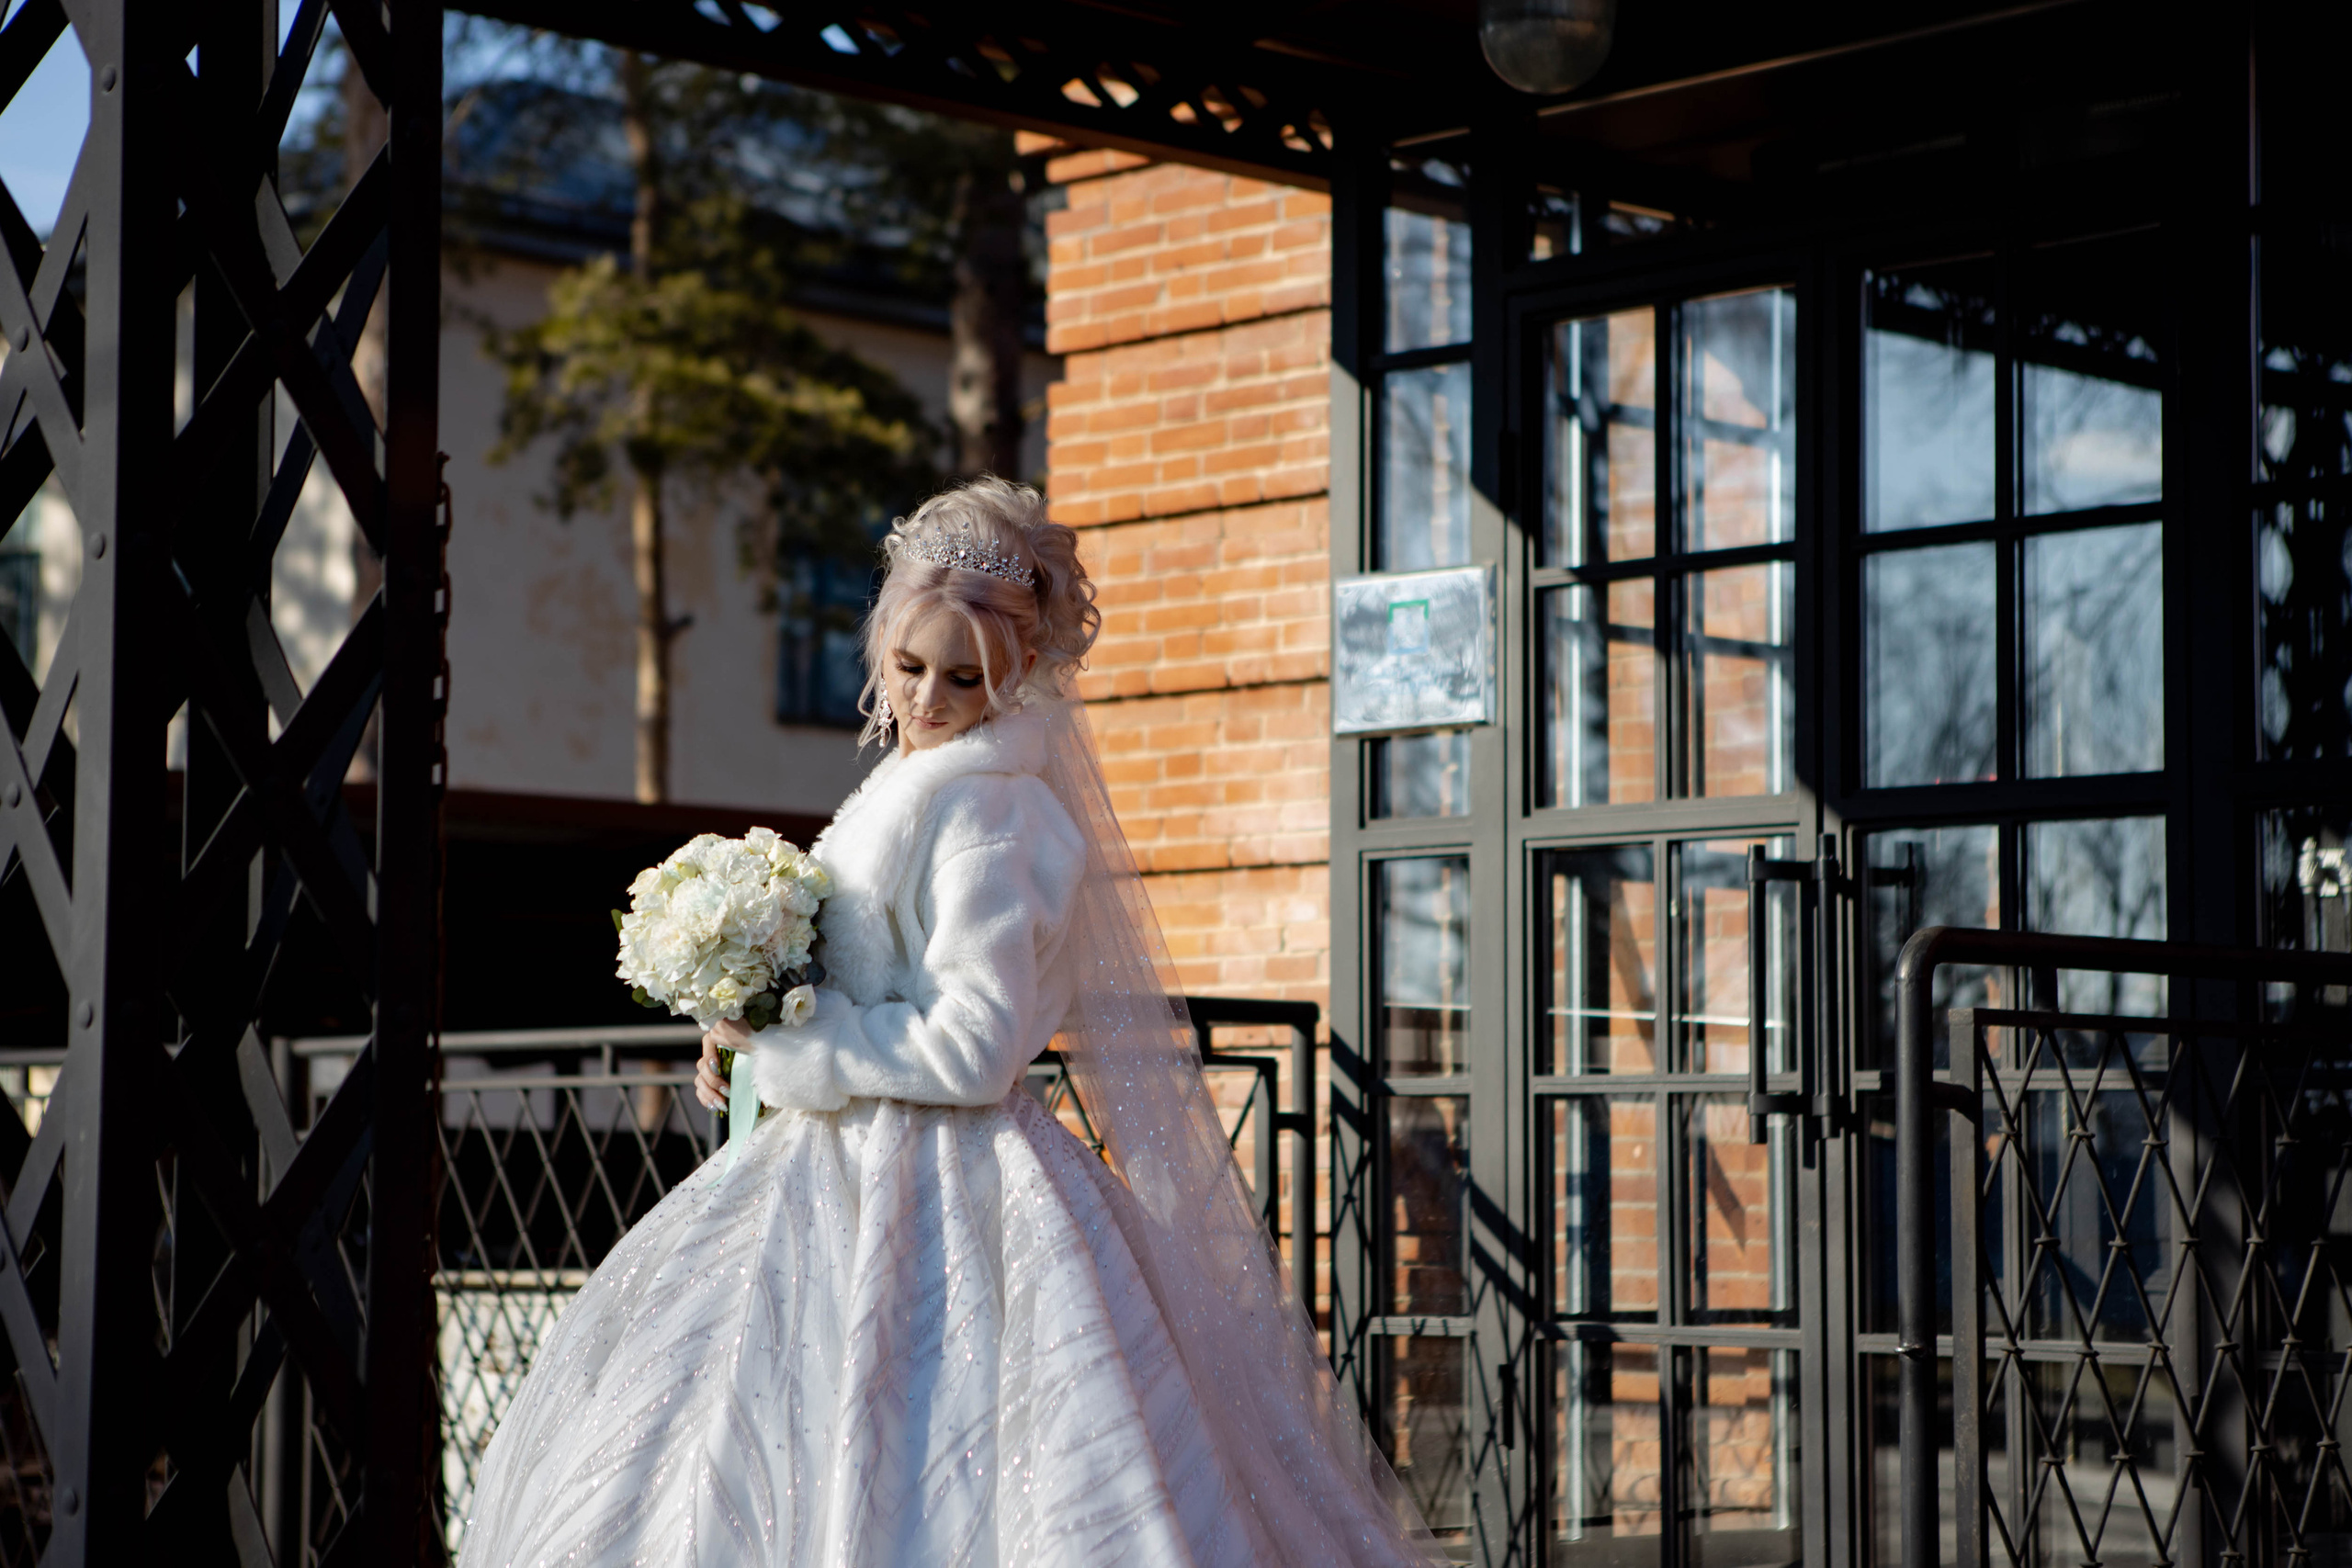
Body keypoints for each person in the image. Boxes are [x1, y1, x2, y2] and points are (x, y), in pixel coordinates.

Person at [458, 478, 1441, 1567]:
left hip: (935, 1184)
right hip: (833, 1165)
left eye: (964, 678)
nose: (929, 698)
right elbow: (865, 980)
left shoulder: (988, 809)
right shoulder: (914, 786)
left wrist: (799, 1047)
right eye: (910, 666)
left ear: (1017, 673)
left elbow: (972, 1050)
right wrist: (747, 1031)